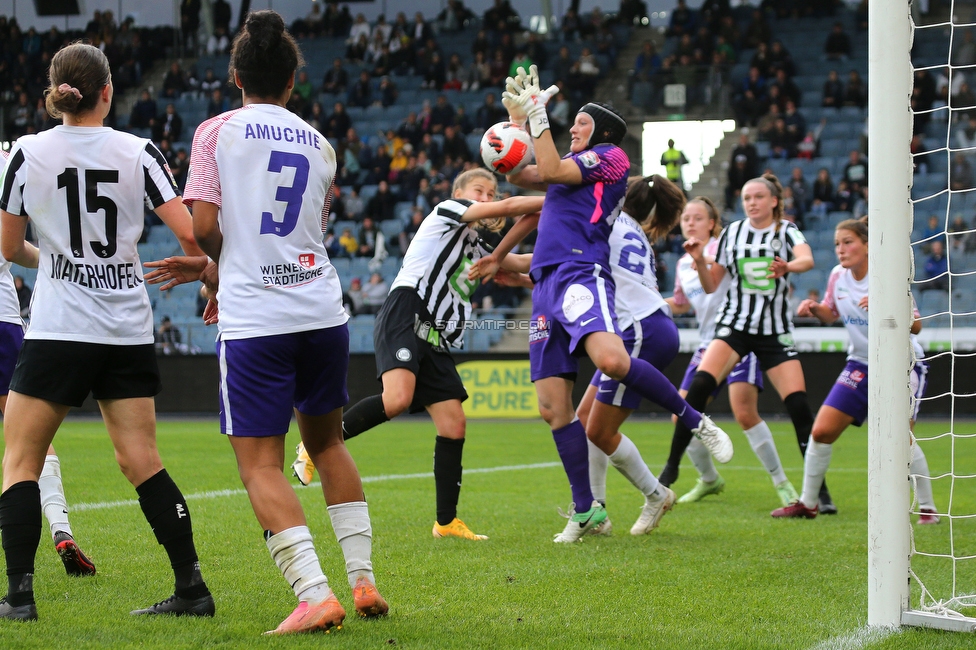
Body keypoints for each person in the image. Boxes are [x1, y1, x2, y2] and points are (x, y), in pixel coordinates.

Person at [180, 11, 387, 634]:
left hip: (257, 317)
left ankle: (314, 595)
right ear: (293, 82)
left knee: (261, 464)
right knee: (327, 444)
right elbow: (308, 229)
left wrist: (218, 271)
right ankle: (363, 581)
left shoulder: (215, 131)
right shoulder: (321, 143)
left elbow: (205, 227)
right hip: (322, 311)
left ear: (235, 74)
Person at [0, 42, 213, 622]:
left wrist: (59, 262)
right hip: (124, 325)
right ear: (107, 92)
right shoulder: (138, 151)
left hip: (58, 327)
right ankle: (191, 587)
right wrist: (206, 274)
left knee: (20, 460)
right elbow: (191, 237)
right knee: (143, 459)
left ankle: (19, 596)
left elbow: (6, 245)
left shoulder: (25, 153)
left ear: (57, 92)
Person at [473, 66, 732, 543]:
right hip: (548, 285)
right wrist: (510, 126)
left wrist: (536, 121)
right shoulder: (570, 174)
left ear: (604, 135)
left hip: (579, 273)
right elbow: (524, 172)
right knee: (555, 409)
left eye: (581, 124)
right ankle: (586, 509)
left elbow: (543, 173)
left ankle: (695, 421)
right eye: (570, 123)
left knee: (612, 362)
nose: (573, 128)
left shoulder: (611, 158)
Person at [291, 168, 545, 541]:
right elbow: (514, 206)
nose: (489, 199)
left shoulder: (481, 248)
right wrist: (561, 197)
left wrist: (560, 261)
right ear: (460, 193)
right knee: (397, 399)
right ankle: (312, 444)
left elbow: (522, 264)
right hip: (409, 309)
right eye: (481, 191)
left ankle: (445, 522)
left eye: (492, 193)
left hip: (436, 332)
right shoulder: (446, 211)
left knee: (453, 422)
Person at [659, 173, 834, 512]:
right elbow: (712, 286)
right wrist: (698, 261)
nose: (752, 203)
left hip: (773, 330)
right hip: (735, 325)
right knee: (697, 389)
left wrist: (788, 267)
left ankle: (819, 493)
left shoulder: (788, 229)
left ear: (773, 201)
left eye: (758, 197)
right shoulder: (734, 233)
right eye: (746, 198)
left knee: (798, 405)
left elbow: (807, 259)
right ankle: (670, 470)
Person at [772, 219, 939, 523]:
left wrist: (884, 305)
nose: (840, 249)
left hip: (901, 365)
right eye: (837, 244)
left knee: (901, 439)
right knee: (821, 431)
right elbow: (830, 313)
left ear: (866, 245)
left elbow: (916, 326)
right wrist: (813, 307)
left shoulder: (887, 275)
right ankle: (808, 503)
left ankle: (927, 508)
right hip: (861, 363)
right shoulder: (838, 276)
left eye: (848, 242)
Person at [0, 152, 96, 581]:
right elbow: (15, 245)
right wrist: (55, 261)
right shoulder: (12, 160)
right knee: (28, 437)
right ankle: (61, 525)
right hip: (3, 322)